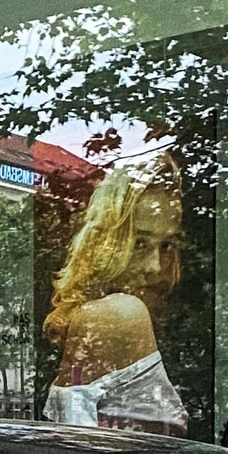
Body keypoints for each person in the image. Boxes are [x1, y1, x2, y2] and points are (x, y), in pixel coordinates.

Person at [40, 153, 189, 434]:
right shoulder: (121, 313)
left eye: (168, 245)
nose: (155, 266)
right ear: (106, 244)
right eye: (139, 244)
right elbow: (85, 448)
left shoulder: (96, 315)